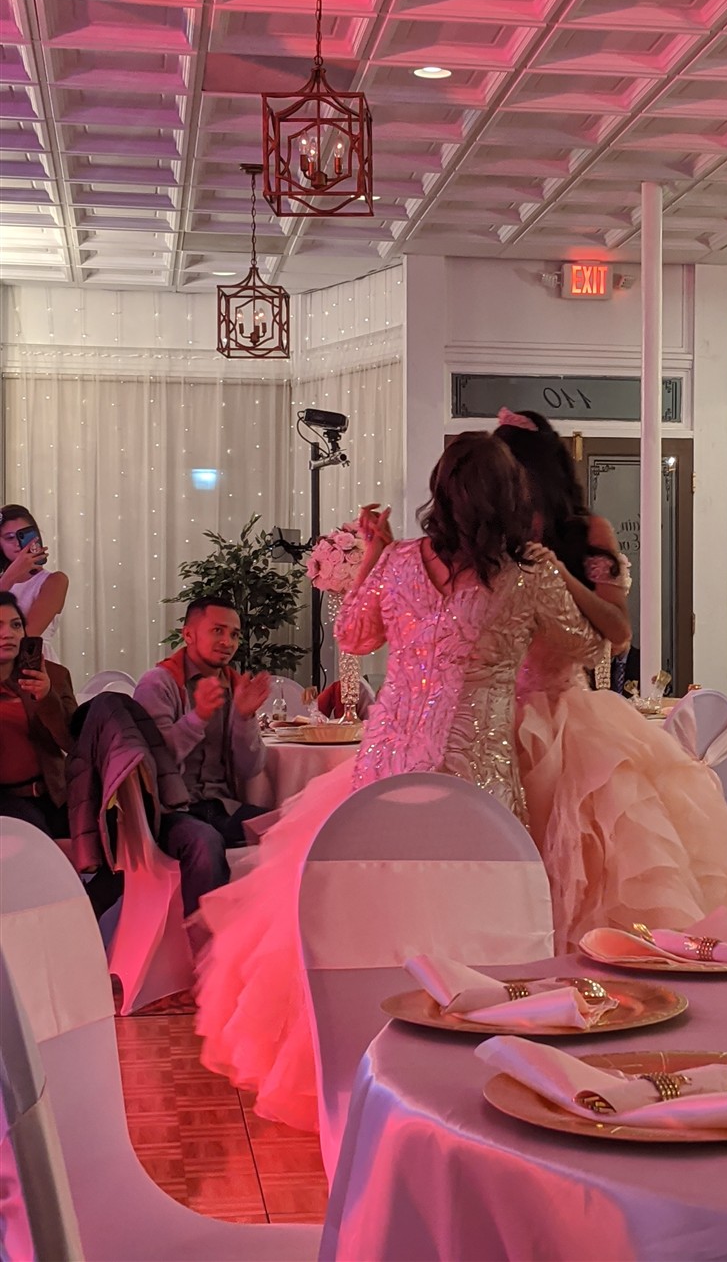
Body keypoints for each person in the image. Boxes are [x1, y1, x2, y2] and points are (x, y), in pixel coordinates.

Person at [193, 433, 601, 1129]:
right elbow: (582, 645)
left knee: (381, 910)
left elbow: (353, 636)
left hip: (388, 766)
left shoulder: (403, 561)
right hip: (475, 774)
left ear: (440, 492)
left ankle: (379, 1061)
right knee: (472, 920)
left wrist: (376, 558)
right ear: (511, 499)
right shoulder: (529, 573)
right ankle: (467, 1072)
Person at [494, 409, 727, 950]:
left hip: (570, 714)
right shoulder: (491, 537)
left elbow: (619, 633)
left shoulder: (587, 535)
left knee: (605, 854)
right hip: (497, 716)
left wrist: (558, 573)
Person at [133, 597, 272, 929]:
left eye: (234, 634)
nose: (228, 642)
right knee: (205, 842)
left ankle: (263, 934)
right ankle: (204, 946)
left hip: (221, 805)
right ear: (189, 634)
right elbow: (153, 764)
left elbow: (250, 769)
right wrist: (198, 717)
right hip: (170, 811)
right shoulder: (159, 683)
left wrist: (244, 717)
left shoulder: (235, 686)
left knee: (287, 829)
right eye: (218, 631)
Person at [0, 591, 76, 838]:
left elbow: (72, 742)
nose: (8, 634)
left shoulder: (54, 676)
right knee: (41, 845)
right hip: (6, 801)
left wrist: (46, 697)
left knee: (102, 841)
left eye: (16, 625)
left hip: (55, 794)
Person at [0, 506, 69, 662]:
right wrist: (9, 578)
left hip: (32, 664)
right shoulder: (4, 581)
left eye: (23, 535)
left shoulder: (54, 581)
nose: (18, 543)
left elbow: (27, 637)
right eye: (10, 537)